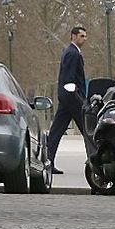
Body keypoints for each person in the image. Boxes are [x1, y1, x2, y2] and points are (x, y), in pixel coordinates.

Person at [45, 26, 93, 175]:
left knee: (56, 131)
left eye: (85, 36)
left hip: (67, 98)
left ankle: (47, 162)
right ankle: (95, 162)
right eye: (81, 36)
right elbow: (70, 78)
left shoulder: (70, 52)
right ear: (73, 36)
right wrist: (78, 98)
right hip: (73, 98)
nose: (84, 39)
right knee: (89, 130)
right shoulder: (73, 53)